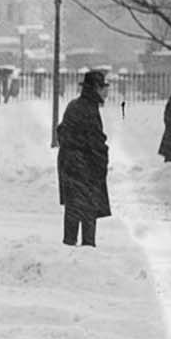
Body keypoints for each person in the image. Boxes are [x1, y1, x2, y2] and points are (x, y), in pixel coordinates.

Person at [57, 70, 111, 246]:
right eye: (104, 87)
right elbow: (94, 141)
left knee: (73, 209)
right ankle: (87, 252)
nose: (106, 91)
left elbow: (63, 132)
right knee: (88, 212)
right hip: (84, 167)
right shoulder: (89, 109)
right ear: (96, 88)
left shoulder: (76, 105)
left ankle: (69, 248)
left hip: (72, 164)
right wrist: (100, 160)